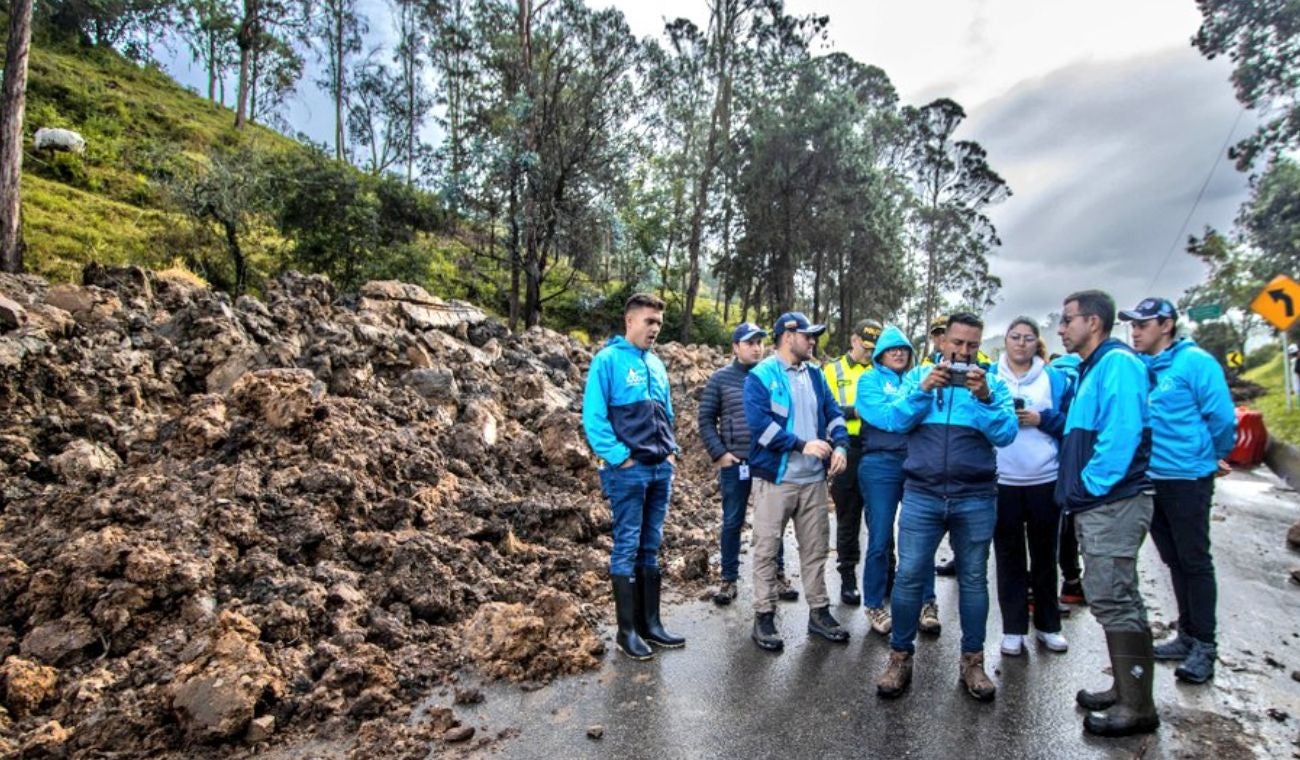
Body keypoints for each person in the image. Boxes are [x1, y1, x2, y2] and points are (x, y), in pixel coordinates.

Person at [872, 313, 1018, 702]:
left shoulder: (993, 384)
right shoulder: (917, 376)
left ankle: (973, 662)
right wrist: (922, 390)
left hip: (976, 496)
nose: (963, 352)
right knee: (908, 578)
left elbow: (1005, 433)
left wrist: (983, 398)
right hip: (922, 494)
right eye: (956, 343)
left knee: (973, 581)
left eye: (972, 345)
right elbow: (895, 420)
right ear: (942, 341)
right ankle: (900, 657)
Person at [1056, 289, 1158, 737]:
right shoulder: (1093, 368)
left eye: (1067, 320)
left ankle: (1137, 705)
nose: (1061, 329)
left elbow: (1121, 435)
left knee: (1117, 599)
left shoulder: (1117, 364)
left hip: (1111, 502)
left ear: (1093, 323)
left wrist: (1087, 488)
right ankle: (1124, 689)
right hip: (1099, 504)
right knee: (1110, 596)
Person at [1122, 297, 1236, 684]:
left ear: (1167, 325)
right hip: (1151, 478)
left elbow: (1221, 417)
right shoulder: (1140, 367)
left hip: (1188, 477)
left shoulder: (1196, 363)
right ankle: (1186, 634)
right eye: (1133, 325)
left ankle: (1205, 643)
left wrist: (1212, 456)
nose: (1135, 331)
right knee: (1172, 559)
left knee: (1195, 560)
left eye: (1143, 324)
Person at [581, 293, 685, 660]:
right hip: (629, 470)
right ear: (630, 321)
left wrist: (671, 452)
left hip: (660, 468)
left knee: (651, 545)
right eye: (649, 321)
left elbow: (666, 412)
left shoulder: (656, 364)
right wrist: (620, 458)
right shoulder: (607, 361)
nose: (655, 328)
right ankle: (627, 632)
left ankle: (650, 625)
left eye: (659, 322)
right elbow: (593, 418)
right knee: (627, 544)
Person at [744, 311, 851, 652]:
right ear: (787, 336)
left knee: (816, 549)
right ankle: (764, 616)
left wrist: (841, 446)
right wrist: (801, 444)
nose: (813, 340)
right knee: (765, 549)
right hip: (776, 481)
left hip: (813, 482)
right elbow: (760, 427)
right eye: (807, 335)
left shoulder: (816, 375)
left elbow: (834, 414)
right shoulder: (761, 376)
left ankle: (819, 613)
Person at [697, 322, 795, 606]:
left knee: (772, 521)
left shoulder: (771, 376)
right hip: (735, 461)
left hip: (768, 461)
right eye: (749, 342)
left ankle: (777, 574)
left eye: (759, 342)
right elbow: (705, 419)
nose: (756, 347)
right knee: (732, 520)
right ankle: (728, 579)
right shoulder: (720, 379)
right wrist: (719, 454)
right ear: (735, 347)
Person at [992, 318, 1073, 656]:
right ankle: (1013, 629)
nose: (1021, 344)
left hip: (1044, 479)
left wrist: (1043, 419)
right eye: (1015, 337)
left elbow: (1073, 423)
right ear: (1006, 341)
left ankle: (1048, 625)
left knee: (1044, 556)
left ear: (1036, 343)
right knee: (1008, 557)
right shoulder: (989, 376)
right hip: (1002, 480)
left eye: (1028, 338)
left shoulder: (1055, 378)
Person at [855, 325, 940, 636]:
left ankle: (926, 602)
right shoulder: (868, 381)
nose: (898, 353)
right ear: (879, 354)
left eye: (903, 348)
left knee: (922, 537)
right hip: (880, 465)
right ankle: (875, 604)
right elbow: (887, 419)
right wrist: (915, 405)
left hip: (918, 464)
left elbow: (923, 415)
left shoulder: (919, 377)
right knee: (879, 538)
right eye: (892, 348)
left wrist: (909, 404)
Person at [823, 319, 882, 604]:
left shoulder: (880, 371)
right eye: (866, 346)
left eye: (874, 348)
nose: (869, 353)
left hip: (875, 448)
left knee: (879, 518)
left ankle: (886, 577)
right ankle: (847, 577)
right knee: (848, 518)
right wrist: (854, 412)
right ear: (854, 339)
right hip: (845, 448)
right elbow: (826, 408)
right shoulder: (832, 370)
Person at [1050, 353, 1086, 606]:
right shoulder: (1081, 380)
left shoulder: (1050, 378)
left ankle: (1035, 591)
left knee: (1047, 533)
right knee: (1068, 529)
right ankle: (1072, 582)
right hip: (1075, 464)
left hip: (1046, 467)